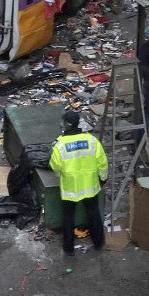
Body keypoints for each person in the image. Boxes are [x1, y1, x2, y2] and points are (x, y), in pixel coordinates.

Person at [49, 109, 108, 260]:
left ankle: (69, 248)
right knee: (93, 213)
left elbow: (55, 167)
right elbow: (102, 163)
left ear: (66, 125)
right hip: (90, 186)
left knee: (68, 217)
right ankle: (99, 243)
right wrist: (103, 179)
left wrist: (61, 175)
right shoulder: (92, 140)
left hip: (70, 189)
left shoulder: (60, 145)